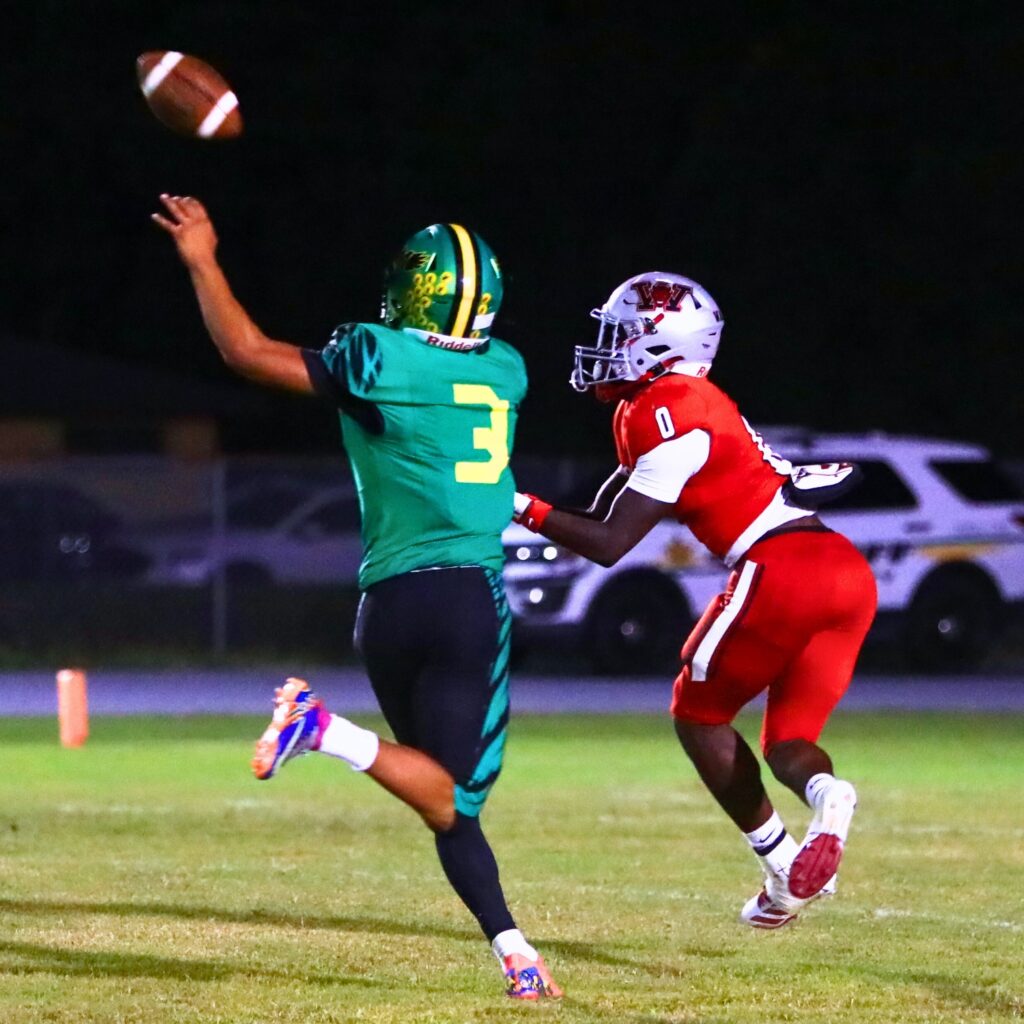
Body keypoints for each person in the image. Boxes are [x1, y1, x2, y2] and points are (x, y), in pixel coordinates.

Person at [152, 194, 562, 998]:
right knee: (455, 789)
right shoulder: (506, 371)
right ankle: (323, 728)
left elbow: (245, 351)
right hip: (465, 600)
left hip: (386, 606)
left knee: (444, 799)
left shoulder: (375, 353)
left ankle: (516, 955)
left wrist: (202, 257)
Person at [513, 271, 877, 929]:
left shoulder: (670, 406)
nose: (606, 346)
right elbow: (597, 514)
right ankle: (823, 806)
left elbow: (608, 543)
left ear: (663, 344)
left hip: (781, 565)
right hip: (844, 570)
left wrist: (512, 503)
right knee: (790, 741)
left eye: (621, 334)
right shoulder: (663, 406)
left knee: (697, 712)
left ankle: (779, 865)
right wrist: (527, 511)